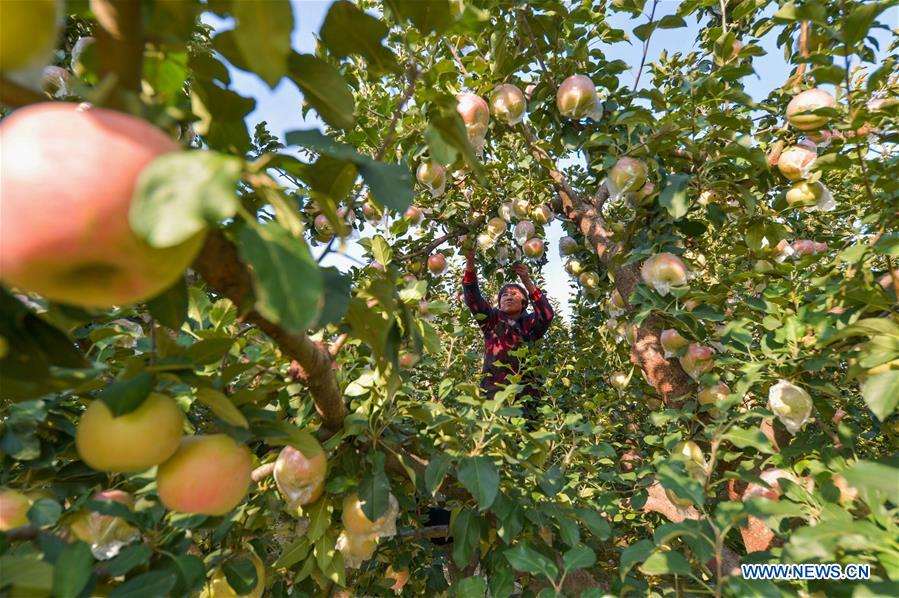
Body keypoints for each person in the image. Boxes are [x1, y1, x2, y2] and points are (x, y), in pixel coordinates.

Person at [461, 247, 554, 405]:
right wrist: (470, 261)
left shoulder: (530, 324)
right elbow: (473, 299)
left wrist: (527, 281)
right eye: (504, 295)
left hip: (527, 393)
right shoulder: (491, 320)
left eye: (514, 294)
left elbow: (546, 314)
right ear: (499, 302)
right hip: (494, 391)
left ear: (524, 302)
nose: (508, 297)